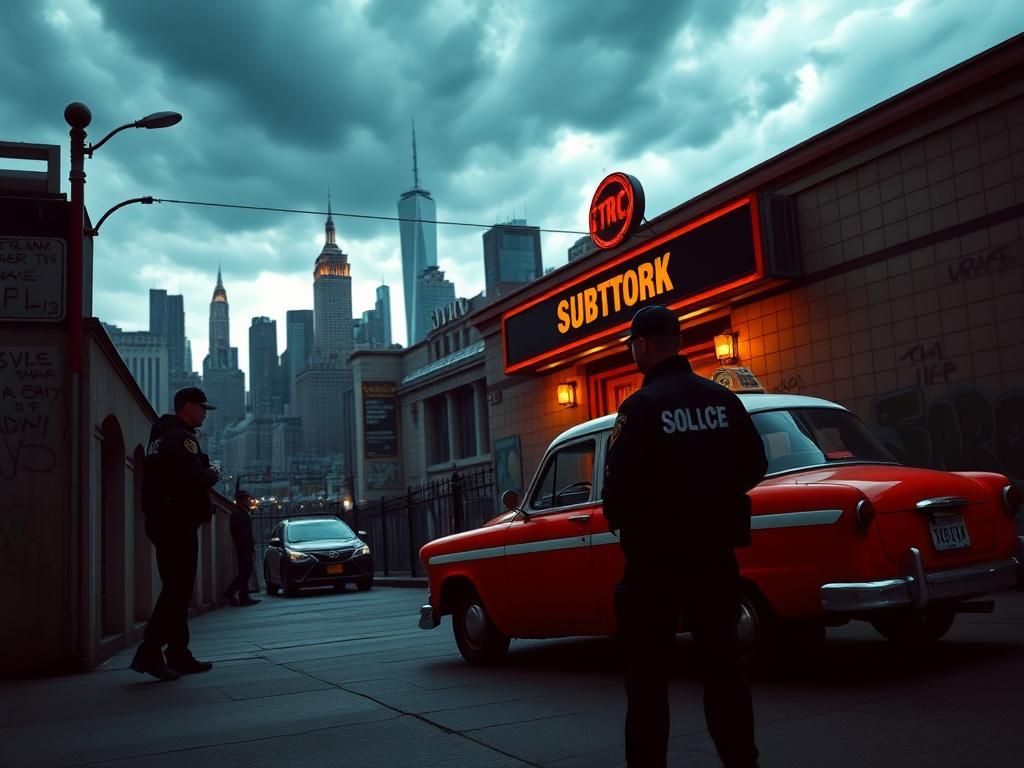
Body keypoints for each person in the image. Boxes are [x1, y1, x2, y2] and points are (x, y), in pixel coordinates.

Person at [602, 305, 768, 768]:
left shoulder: (641, 407)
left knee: (648, 682)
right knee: (725, 673)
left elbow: (615, 495)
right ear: (677, 340)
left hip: (654, 566)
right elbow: (755, 465)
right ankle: (741, 761)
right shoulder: (722, 401)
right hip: (714, 558)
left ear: (642, 345)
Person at [130, 387, 221, 680]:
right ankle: (150, 652)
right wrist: (213, 473)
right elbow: (192, 479)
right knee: (177, 591)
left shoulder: (158, 437)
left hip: (162, 520)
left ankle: (179, 654)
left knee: (176, 590)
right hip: (177, 522)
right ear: (188, 407)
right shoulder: (182, 438)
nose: (205, 414)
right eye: (202, 408)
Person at [223, 489, 261, 606]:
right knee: (245, 572)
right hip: (244, 547)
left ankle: (243, 596)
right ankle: (233, 594)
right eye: (247, 499)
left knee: (245, 572)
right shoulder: (239, 514)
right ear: (241, 500)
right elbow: (244, 533)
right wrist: (250, 544)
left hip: (243, 546)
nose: (249, 501)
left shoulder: (239, 513)